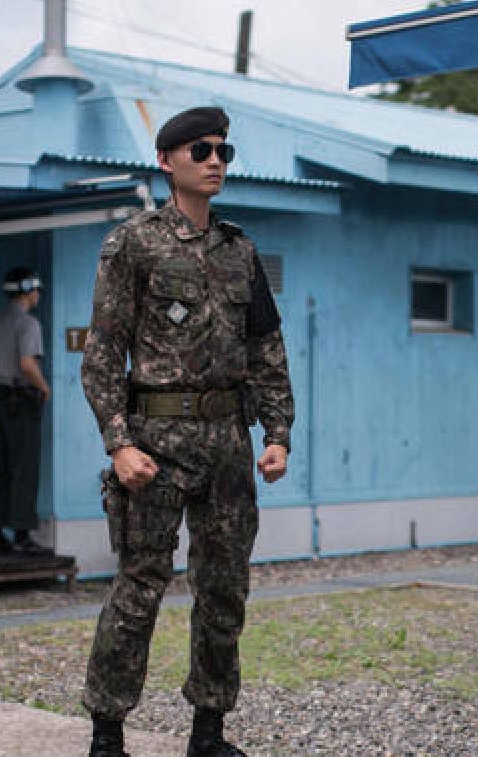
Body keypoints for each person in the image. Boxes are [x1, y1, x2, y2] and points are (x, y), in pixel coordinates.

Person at [80, 106, 293, 757]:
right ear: (166, 160)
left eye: (223, 152)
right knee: (139, 588)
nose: (214, 161)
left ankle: (209, 732)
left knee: (224, 589)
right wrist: (119, 443)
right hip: (156, 443)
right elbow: (102, 353)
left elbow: (267, 347)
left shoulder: (241, 251)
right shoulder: (134, 243)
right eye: (200, 150)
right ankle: (108, 736)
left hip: (228, 443)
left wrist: (278, 431)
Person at [0, 266, 53, 556]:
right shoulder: (29, 325)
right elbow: (27, 364)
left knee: (1, 467)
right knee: (25, 467)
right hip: (23, 398)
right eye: (37, 290)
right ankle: (22, 534)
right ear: (30, 290)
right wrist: (43, 388)